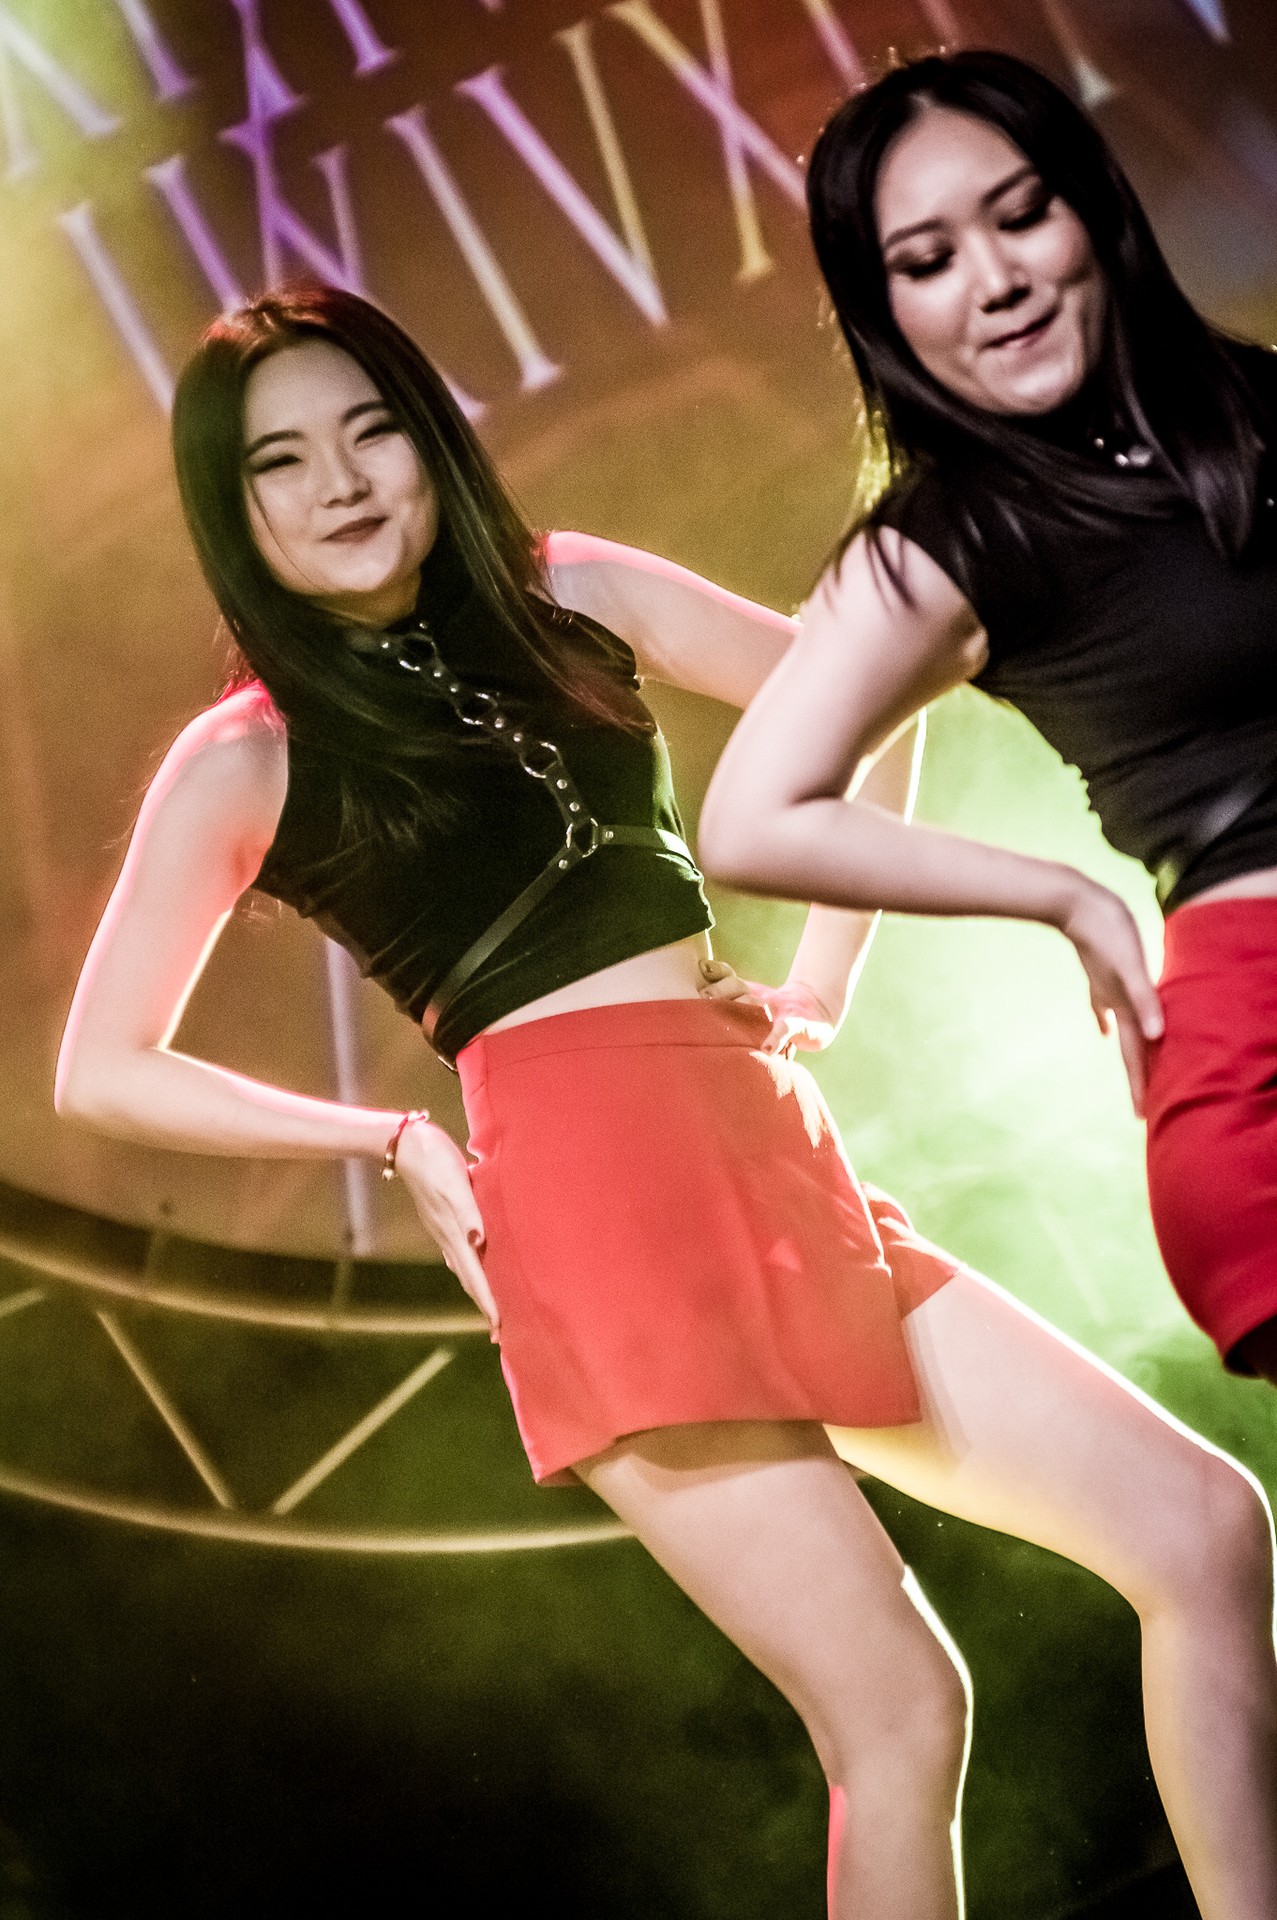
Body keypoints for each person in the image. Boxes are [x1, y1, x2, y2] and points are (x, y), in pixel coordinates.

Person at [56, 286, 1276, 1920]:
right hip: (591, 1213)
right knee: (899, 1713)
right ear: (233, 508)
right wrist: (386, 1138)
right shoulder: (244, 760)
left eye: (371, 430)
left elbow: (873, 701)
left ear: (429, 439)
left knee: (1201, 1529)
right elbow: (100, 1069)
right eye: (280, 460)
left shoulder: (575, 589)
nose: (339, 482)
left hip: (770, 1150)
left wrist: (827, 974)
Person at [703, 46, 1277, 1394]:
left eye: (1020, 216)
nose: (995, 280)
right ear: (884, 309)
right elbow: (750, 817)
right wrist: (1060, 896)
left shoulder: (1263, 401)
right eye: (927, 260)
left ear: (1094, 209)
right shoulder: (948, 544)